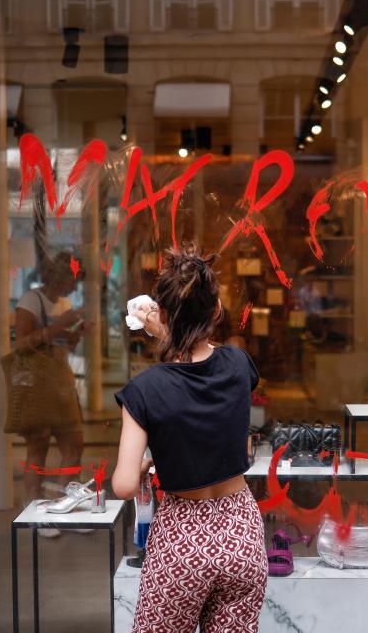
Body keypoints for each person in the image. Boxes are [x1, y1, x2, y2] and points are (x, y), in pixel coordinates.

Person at [112, 245, 268, 633]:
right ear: (216, 310)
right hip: (242, 533)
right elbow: (201, 362)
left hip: (183, 538)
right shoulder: (238, 364)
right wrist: (167, 326)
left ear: (162, 314)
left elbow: (124, 484)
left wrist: (149, 463)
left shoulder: (144, 389)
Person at [13, 251, 88, 537]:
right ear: (63, 275)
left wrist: (74, 333)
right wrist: (59, 326)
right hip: (37, 385)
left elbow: (60, 345)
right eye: (75, 279)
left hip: (60, 382)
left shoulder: (64, 302)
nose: (76, 287)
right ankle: (35, 510)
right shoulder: (31, 300)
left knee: (74, 445)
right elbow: (21, 344)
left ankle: (64, 505)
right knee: (38, 448)